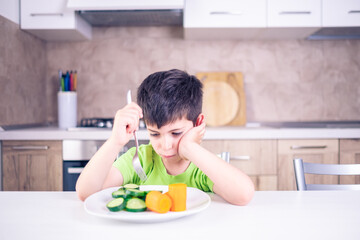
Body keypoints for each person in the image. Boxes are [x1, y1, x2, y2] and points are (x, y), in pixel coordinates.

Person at [76, 69, 254, 205]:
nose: (165, 145)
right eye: (154, 134)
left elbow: (244, 195)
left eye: (176, 133)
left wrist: (190, 148)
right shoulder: (141, 160)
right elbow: (86, 193)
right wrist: (115, 140)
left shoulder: (202, 166)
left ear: (198, 123)